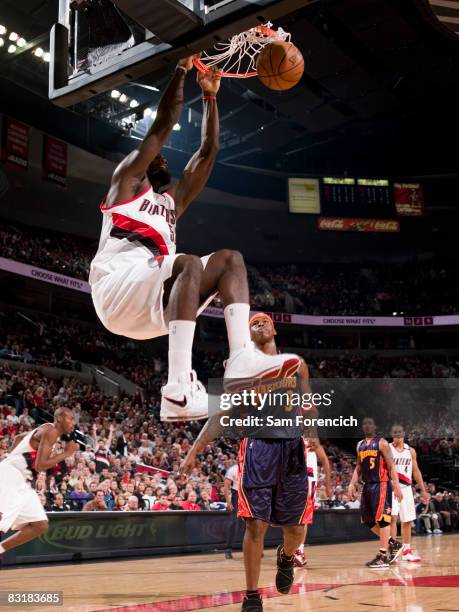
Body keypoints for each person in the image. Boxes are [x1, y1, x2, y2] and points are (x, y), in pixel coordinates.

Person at [89, 56, 300, 423]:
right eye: (159, 157)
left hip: (157, 308)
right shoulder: (125, 185)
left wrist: (210, 97)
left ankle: (239, 363)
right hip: (114, 292)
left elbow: (207, 152)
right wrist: (181, 70)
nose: (166, 159)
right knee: (186, 262)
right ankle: (177, 391)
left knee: (230, 260)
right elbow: (162, 127)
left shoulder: (172, 204)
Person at [181, 313, 306, 611]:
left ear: (274, 328)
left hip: (291, 448)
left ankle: (286, 556)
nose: (259, 325)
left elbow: (306, 404)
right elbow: (220, 413)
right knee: (255, 525)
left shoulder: (297, 365)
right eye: (253, 324)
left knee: (296, 531)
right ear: (248, 335)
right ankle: (252, 596)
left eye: (264, 321)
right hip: (257, 446)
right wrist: (194, 450)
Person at [0, 407, 78, 556]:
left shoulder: (47, 429)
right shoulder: (51, 432)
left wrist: (13, 456)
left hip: (22, 480)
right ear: (60, 418)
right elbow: (40, 465)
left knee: (40, 525)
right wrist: (66, 453)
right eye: (71, 418)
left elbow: (18, 439)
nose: (73, 423)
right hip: (10, 475)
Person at [348, 417, 403, 568]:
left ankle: (383, 556)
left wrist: (396, 486)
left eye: (370, 423)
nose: (367, 425)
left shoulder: (382, 443)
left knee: (383, 519)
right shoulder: (360, 445)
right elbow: (358, 467)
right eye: (364, 423)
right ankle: (393, 543)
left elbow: (391, 466)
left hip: (382, 484)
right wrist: (352, 483)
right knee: (367, 520)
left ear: (375, 426)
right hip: (367, 486)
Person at [389, 424, 430, 562]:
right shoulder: (387, 449)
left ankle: (406, 551)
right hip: (392, 488)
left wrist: (423, 490)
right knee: (392, 519)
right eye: (395, 433)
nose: (397, 435)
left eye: (399, 432)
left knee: (407, 520)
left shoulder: (410, 450)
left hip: (406, 488)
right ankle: (392, 551)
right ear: (392, 434)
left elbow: (416, 471)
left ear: (404, 433)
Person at [294, 437, 332, 567]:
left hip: (308, 481)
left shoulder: (312, 441)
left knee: (303, 517)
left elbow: (325, 462)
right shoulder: (289, 437)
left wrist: (328, 484)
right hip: (292, 480)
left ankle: (298, 550)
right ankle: (294, 550)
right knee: (293, 518)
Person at [224, 460, 239, 559]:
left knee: (256, 522)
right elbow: (226, 487)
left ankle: (258, 549)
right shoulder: (233, 469)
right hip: (237, 495)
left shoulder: (252, 467)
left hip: (250, 495)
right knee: (233, 522)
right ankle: (228, 549)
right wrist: (228, 502)